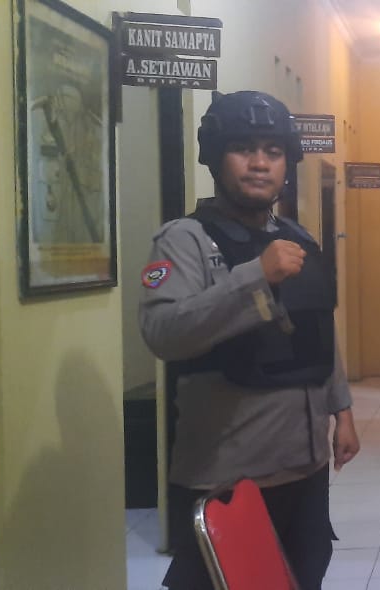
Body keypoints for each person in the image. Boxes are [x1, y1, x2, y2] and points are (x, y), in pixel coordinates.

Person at [139, 90, 359, 590]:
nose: (260, 163)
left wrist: (342, 411)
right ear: (216, 158)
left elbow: (320, 332)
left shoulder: (300, 239)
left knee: (303, 575)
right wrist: (255, 276)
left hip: (305, 468)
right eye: (244, 149)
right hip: (226, 476)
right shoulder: (184, 240)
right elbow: (163, 333)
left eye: (273, 151)